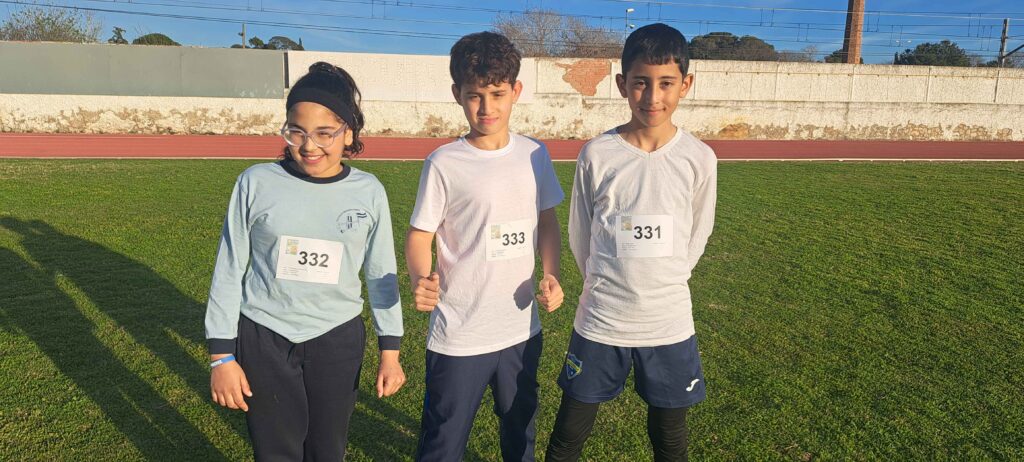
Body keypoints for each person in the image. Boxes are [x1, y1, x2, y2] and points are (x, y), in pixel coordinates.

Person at [204, 61, 406, 461]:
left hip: (336, 337)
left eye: (324, 133)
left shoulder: (368, 191)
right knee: (275, 450)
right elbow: (229, 268)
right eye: (297, 131)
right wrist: (221, 356)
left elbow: (381, 272)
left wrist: (391, 351)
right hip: (265, 335)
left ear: (349, 132)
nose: (309, 146)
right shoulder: (255, 182)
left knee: (328, 448)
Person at [545, 23, 718, 462]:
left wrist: (667, 279)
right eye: (641, 82)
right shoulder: (598, 154)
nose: (652, 96)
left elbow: (698, 233)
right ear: (623, 84)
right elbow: (581, 233)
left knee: (670, 439)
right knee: (568, 435)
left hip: (668, 322)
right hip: (602, 320)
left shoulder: (699, 158)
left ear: (686, 85)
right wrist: (605, 283)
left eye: (666, 83)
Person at [406, 31, 565, 462]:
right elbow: (420, 234)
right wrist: (420, 277)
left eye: (497, 94)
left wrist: (552, 274)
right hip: (460, 333)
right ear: (457, 94)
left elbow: (547, 220)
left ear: (516, 91)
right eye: (474, 96)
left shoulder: (535, 154)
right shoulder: (444, 162)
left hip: (520, 329)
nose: (486, 108)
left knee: (520, 429)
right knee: (443, 440)